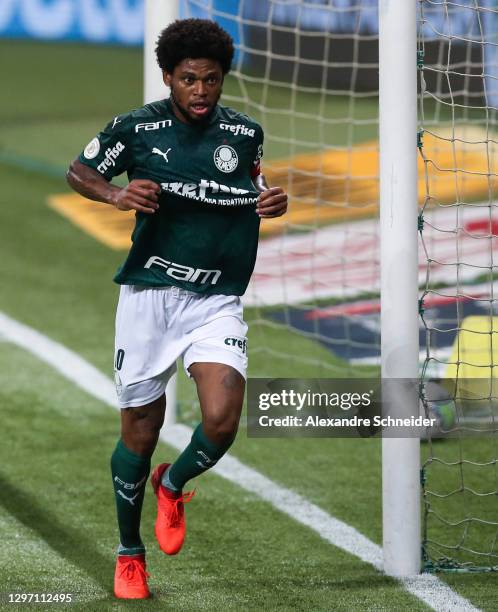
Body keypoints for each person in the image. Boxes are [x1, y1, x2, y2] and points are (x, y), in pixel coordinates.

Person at [66, 18, 288, 600]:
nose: (200, 90)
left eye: (211, 79)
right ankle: (129, 553)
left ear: (222, 80)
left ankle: (176, 481)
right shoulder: (136, 128)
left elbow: (254, 191)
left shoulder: (244, 134)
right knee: (141, 430)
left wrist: (272, 202)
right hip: (149, 297)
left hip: (216, 298)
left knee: (222, 417)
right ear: (169, 77)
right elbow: (79, 170)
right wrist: (116, 193)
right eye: (189, 79)